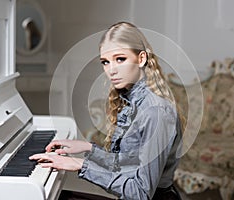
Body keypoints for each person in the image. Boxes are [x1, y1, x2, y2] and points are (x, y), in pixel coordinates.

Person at [29, 21, 185, 200]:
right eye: (105, 62)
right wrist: (88, 148)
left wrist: (81, 165)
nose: (111, 70)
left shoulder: (155, 112)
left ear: (141, 59)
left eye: (120, 59)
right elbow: (128, 163)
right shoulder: (132, 100)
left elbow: (141, 193)